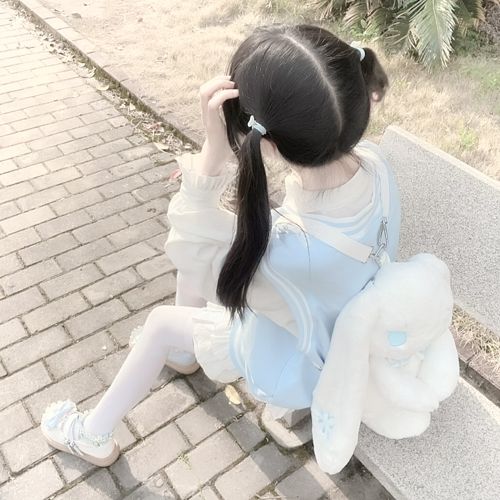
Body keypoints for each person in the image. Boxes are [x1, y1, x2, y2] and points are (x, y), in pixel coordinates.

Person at [41, 24, 399, 469]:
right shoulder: (376, 166)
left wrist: (212, 153)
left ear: (267, 143)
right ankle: (182, 353)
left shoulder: (286, 253)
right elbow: (206, 253)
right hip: (327, 308)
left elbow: (189, 245)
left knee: (160, 323)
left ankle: (92, 435)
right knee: (201, 262)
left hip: (294, 357)